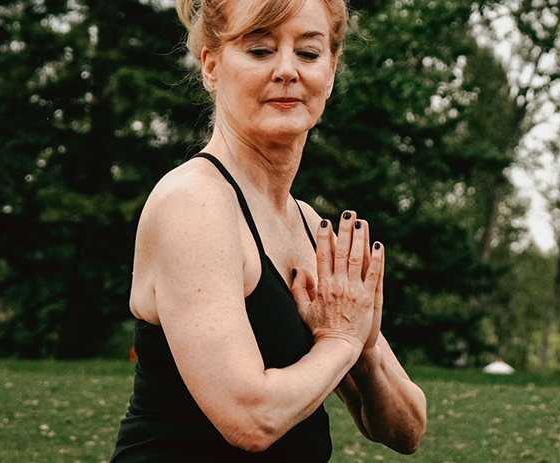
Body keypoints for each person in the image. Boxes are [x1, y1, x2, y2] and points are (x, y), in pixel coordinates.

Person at [110, 0, 428, 461]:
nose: (286, 70)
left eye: (308, 52)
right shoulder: (193, 204)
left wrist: (364, 344)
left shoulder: (310, 226)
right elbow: (251, 418)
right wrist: (339, 341)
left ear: (332, 72)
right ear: (211, 66)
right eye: (259, 50)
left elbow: (408, 430)